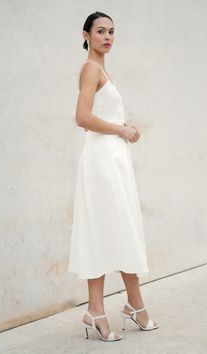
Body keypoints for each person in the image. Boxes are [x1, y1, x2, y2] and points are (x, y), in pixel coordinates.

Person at [68, 11, 159, 342]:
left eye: (112, 32)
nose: (107, 37)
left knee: (117, 228)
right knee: (108, 228)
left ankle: (122, 306)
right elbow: (81, 117)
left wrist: (124, 127)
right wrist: (121, 129)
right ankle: (109, 308)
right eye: (101, 31)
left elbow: (102, 114)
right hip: (102, 162)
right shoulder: (91, 68)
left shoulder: (101, 69)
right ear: (86, 35)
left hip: (111, 160)